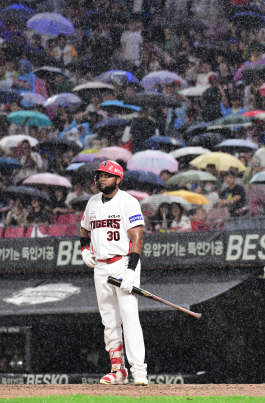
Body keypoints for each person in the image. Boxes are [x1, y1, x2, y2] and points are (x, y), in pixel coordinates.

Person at [80, 160, 148, 386]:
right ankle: (118, 370)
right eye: (100, 175)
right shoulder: (91, 203)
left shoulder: (128, 202)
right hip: (100, 266)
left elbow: (137, 238)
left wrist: (131, 272)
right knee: (109, 321)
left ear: (118, 179)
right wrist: (84, 249)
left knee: (129, 317)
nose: (101, 179)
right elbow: (84, 229)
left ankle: (139, 370)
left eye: (107, 176)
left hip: (123, 263)